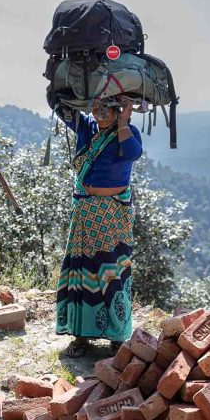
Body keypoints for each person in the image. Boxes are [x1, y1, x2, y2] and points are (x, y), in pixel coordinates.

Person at [49, 93, 144, 357]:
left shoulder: (127, 133)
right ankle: (81, 336)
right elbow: (55, 101)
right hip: (85, 212)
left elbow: (134, 153)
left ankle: (117, 336)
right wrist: (69, 88)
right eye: (96, 107)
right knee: (82, 272)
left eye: (107, 108)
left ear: (117, 110)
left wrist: (124, 121)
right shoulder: (86, 127)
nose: (100, 113)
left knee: (112, 271)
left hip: (111, 214)